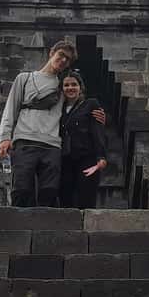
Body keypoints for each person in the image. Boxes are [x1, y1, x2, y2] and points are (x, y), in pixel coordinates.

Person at [0, 41, 104, 207]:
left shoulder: (62, 86)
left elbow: (76, 107)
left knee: (49, 192)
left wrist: (96, 115)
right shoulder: (25, 79)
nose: (63, 60)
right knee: (21, 190)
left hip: (52, 146)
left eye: (67, 60)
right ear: (51, 53)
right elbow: (10, 108)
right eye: (61, 55)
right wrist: (4, 136)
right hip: (25, 141)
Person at [59, 71, 108, 209]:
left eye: (74, 84)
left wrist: (101, 157)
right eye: (66, 85)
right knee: (65, 198)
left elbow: (97, 131)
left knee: (86, 197)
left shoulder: (90, 104)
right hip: (65, 159)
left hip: (86, 157)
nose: (70, 88)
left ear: (80, 87)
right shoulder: (58, 109)